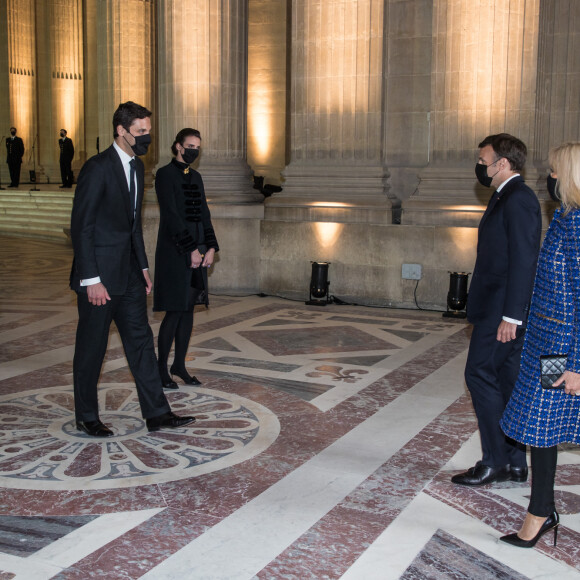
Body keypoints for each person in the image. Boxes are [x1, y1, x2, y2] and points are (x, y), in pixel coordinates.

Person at [70, 101, 194, 437]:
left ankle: (157, 413)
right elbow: (82, 227)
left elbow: (133, 225)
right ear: (121, 131)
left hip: (128, 276)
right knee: (92, 349)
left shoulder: (138, 169)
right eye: (140, 132)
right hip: (99, 278)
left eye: (148, 132)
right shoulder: (97, 168)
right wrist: (91, 279)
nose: (146, 138)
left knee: (141, 343)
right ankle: (86, 415)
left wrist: (142, 266)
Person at [500, 142, 580, 548]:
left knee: (543, 426)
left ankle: (539, 512)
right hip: (548, 345)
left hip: (563, 352)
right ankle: (540, 509)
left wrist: (577, 365)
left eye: (553, 170)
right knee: (541, 429)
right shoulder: (567, 217)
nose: (548, 177)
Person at [451, 133, 542, 486]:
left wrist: (511, 316)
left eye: (483, 159)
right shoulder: (506, 195)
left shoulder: (518, 199)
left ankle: (495, 460)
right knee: (507, 382)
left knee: (479, 374)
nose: (480, 165)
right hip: (500, 308)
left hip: (502, 312)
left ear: (502, 163)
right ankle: (516, 462)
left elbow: (524, 261)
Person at [154, 128, 219, 389]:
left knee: (189, 309)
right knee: (175, 309)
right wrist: (190, 248)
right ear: (178, 146)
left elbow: (204, 212)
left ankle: (179, 364)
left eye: (197, 147)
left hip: (199, 249)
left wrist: (211, 247)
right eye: (190, 145)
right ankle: (161, 369)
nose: (194, 150)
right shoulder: (164, 174)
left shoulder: (197, 177)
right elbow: (171, 215)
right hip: (175, 250)